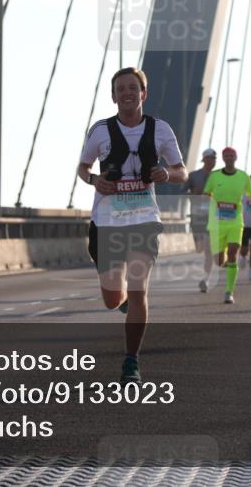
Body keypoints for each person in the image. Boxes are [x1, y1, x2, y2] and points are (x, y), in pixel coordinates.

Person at [78, 67, 187, 384]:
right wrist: (95, 180)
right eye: (121, 88)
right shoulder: (100, 130)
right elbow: (83, 168)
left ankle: (131, 362)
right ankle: (122, 302)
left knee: (139, 290)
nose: (127, 92)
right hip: (106, 221)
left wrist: (168, 174)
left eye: (133, 87)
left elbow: (181, 171)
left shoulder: (160, 129)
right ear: (113, 96)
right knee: (113, 298)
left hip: (144, 220)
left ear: (144, 93)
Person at [203, 147, 251, 304]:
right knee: (219, 260)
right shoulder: (214, 176)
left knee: (233, 253)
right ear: (223, 158)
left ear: (236, 157)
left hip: (235, 222)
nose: (229, 157)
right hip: (216, 223)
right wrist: (214, 202)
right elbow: (206, 193)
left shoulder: (244, 177)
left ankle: (229, 292)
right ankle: (227, 263)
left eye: (232, 155)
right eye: (226, 155)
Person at [182, 148, 217, 293]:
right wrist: (193, 194)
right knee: (199, 249)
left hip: (212, 218)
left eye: (214, 159)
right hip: (197, 217)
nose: (213, 161)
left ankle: (205, 279)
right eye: (210, 158)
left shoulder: (219, 176)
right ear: (204, 159)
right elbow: (181, 193)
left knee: (208, 250)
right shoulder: (193, 176)